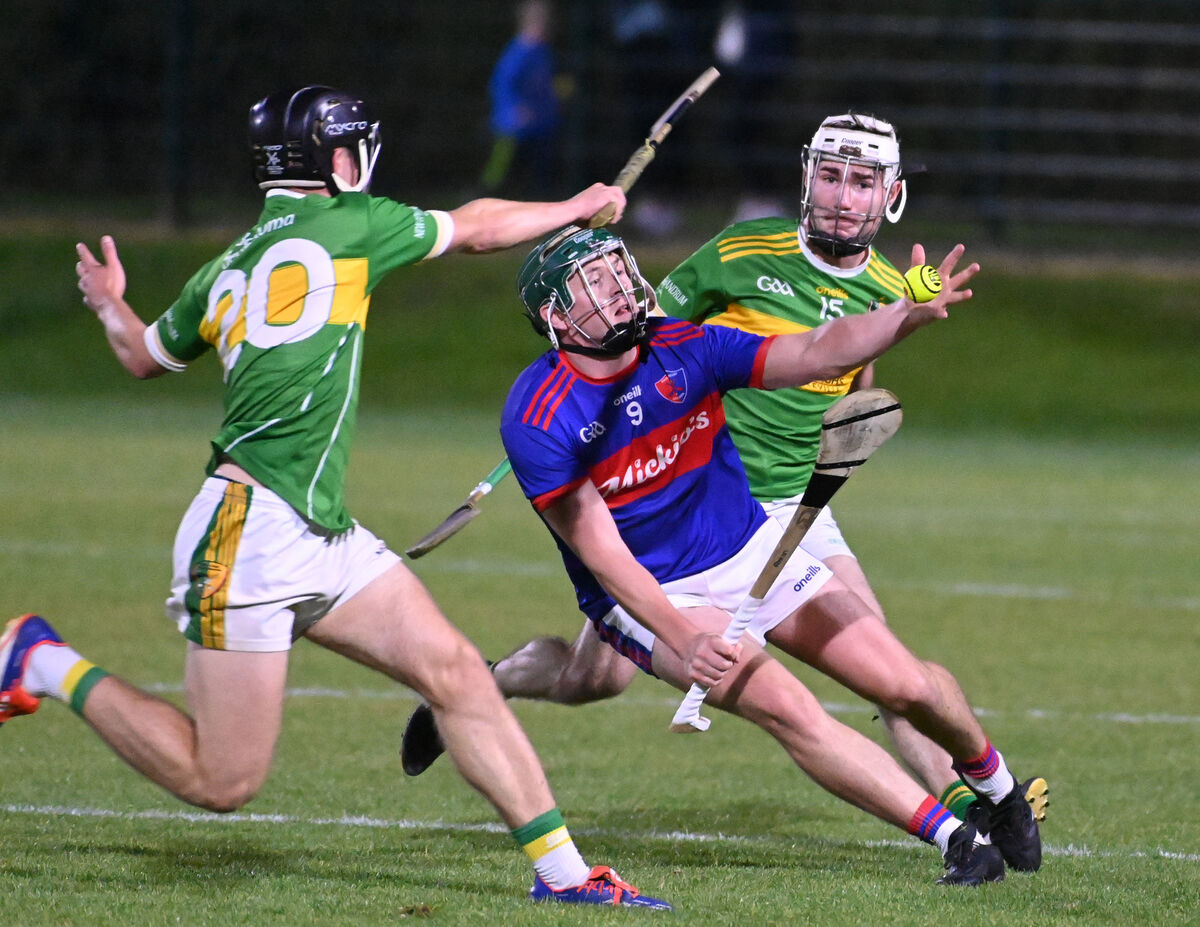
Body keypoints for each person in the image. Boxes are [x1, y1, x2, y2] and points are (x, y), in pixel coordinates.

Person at [0, 84, 672, 910]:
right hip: (247, 534)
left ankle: (569, 877)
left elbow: (143, 355)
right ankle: (41, 659)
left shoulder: (228, 265)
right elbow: (478, 228)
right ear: (338, 160)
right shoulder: (350, 225)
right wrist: (580, 203)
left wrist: (111, 305)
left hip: (316, 529)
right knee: (224, 779)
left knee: (457, 672)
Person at [402, 112, 1049, 848]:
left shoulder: (888, 286)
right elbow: (641, 341)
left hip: (762, 507)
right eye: (831, 175)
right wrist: (564, 430)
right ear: (807, 177)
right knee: (593, 680)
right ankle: (486, 683)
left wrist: (902, 321)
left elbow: (840, 373)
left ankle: (977, 811)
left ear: (889, 196)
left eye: (862, 181)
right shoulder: (739, 253)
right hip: (665, 514)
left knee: (893, 675)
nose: (842, 196)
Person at [479, 0, 562, 198]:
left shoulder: (544, 52)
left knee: (539, 175)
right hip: (513, 128)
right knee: (499, 172)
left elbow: (546, 86)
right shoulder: (518, 51)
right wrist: (514, 109)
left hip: (540, 127)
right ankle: (484, 198)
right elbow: (501, 84)